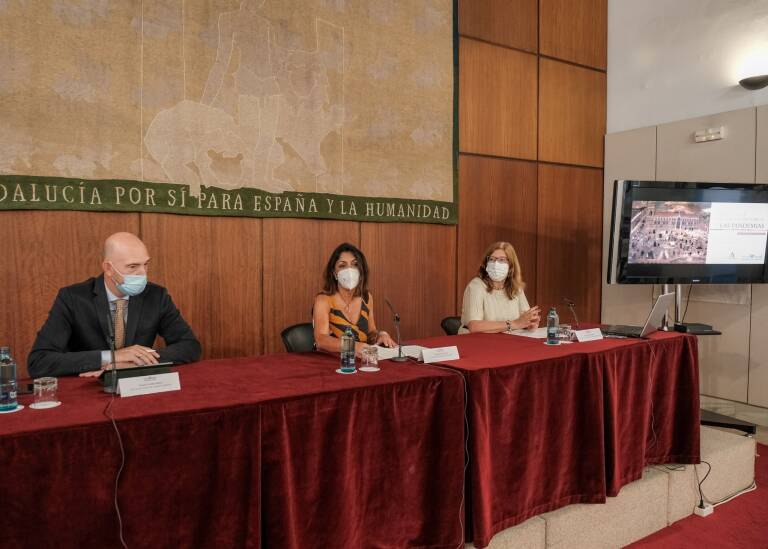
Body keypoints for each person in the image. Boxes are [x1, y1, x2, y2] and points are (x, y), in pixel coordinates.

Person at [28, 232, 201, 378]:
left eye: (145, 264)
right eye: (132, 266)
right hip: (89, 389)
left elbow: (190, 346)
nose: (142, 274)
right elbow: (40, 361)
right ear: (108, 268)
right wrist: (112, 357)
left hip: (139, 387)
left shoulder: (156, 296)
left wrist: (135, 360)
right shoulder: (73, 298)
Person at [313, 243, 396, 355]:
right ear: (334, 273)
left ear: (361, 271)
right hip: (332, 362)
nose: (349, 270)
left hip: (361, 361)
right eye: (342, 266)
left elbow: (370, 333)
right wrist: (353, 346)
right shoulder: (323, 300)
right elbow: (321, 340)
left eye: (355, 264)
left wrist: (381, 335)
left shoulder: (366, 297)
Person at [459, 241, 540, 334]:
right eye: (492, 259)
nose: (495, 264)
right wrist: (514, 324)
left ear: (511, 266)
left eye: (502, 260)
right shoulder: (476, 286)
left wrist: (530, 323)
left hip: (507, 341)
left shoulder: (516, 287)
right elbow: (474, 326)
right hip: (476, 342)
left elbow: (525, 319)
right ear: (486, 263)